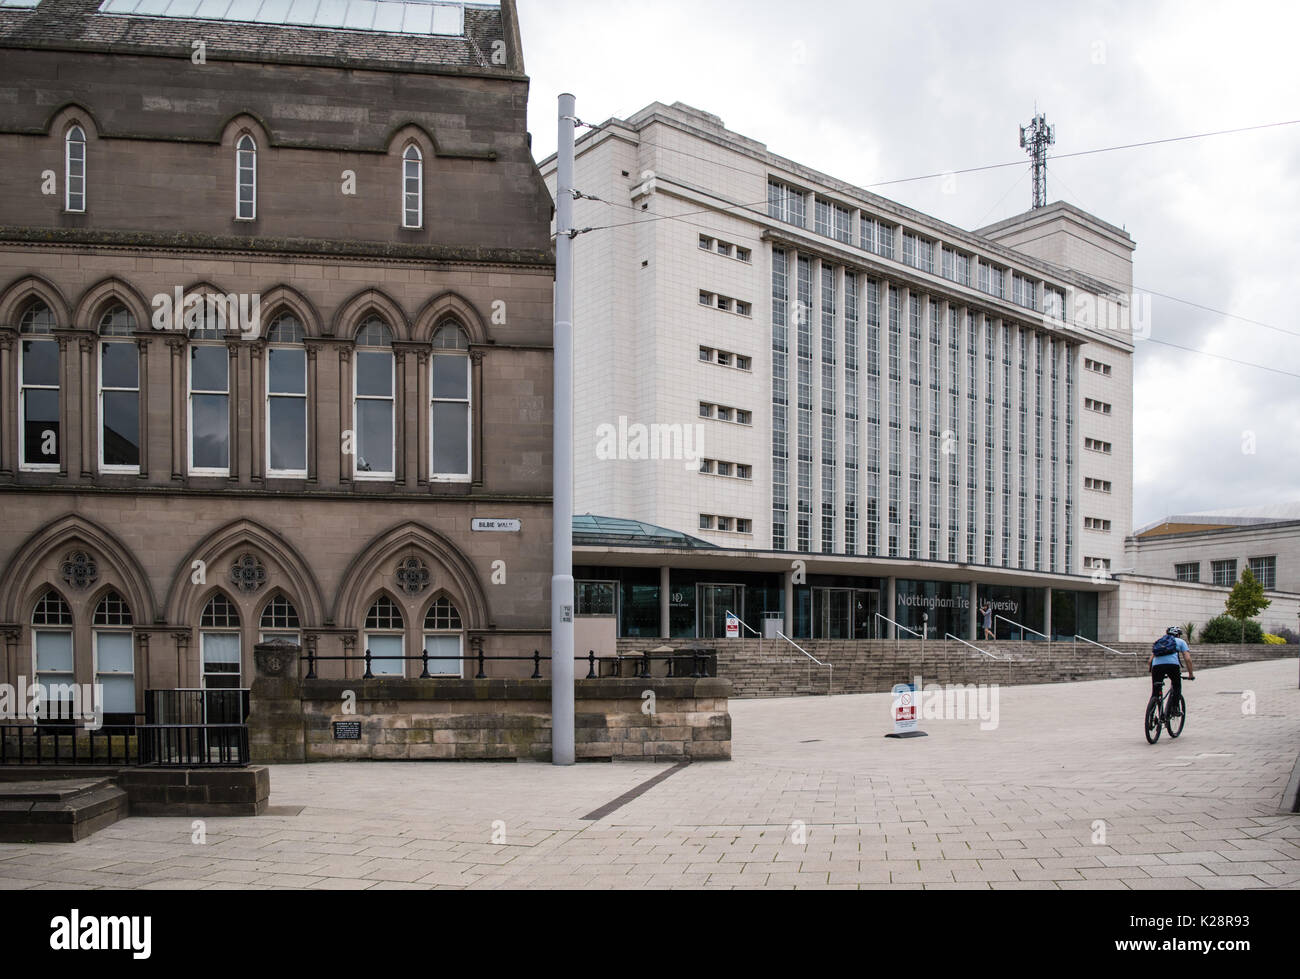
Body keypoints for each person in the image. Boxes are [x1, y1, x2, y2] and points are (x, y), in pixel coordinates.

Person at [1149, 626, 1195, 717]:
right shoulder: (1181, 642)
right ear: (1178, 635)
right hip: (1172, 666)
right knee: (1176, 685)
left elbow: (1150, 660)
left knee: (1155, 691)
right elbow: (1188, 659)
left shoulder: (1160, 641)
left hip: (1156, 666)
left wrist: (1152, 671)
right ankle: (1175, 708)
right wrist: (1191, 674)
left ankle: (1151, 714)